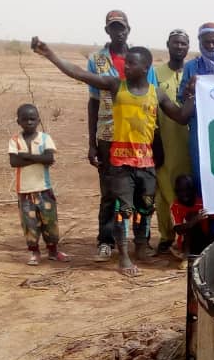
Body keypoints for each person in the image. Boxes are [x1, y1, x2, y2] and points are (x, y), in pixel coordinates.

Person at [32, 37, 194, 276]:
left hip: (146, 162)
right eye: (125, 63)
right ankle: (124, 257)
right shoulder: (116, 86)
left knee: (144, 208)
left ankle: (141, 246)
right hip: (120, 163)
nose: (125, 67)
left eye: (131, 64)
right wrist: (50, 54)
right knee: (123, 210)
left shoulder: (156, 93)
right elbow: (79, 74)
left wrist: (191, 94)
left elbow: (180, 117)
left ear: (145, 68)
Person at [86, 10, 159, 262]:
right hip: (108, 137)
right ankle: (106, 242)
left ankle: (141, 244)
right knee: (111, 195)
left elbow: (152, 107)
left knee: (141, 200)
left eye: (122, 27)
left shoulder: (141, 58)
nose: (118, 31)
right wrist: (92, 143)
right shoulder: (98, 60)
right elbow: (93, 101)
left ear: (129, 29)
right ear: (107, 30)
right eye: (113, 27)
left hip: (140, 144)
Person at [9, 104, 69, 265]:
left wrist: (26, 157)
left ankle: (53, 251)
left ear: (38, 120)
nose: (29, 122)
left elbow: (49, 159)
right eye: (25, 119)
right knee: (29, 224)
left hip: (44, 189)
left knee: (50, 222)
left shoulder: (45, 138)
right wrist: (38, 158)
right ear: (18, 121)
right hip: (25, 190)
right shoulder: (15, 140)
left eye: (32, 119)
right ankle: (34, 253)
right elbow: (14, 162)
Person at [153, 29, 193, 255]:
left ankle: (186, 236)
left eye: (183, 44)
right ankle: (166, 236)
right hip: (165, 142)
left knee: (186, 192)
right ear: (168, 44)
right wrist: (154, 139)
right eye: (175, 43)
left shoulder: (193, 72)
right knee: (163, 195)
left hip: (188, 143)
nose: (179, 47)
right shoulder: (155, 74)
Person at [179, 22, 214, 189]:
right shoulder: (191, 67)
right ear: (200, 42)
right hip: (199, 130)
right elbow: (182, 98)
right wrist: (190, 90)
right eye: (206, 42)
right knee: (201, 171)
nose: (211, 46)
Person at [171, 174, 214, 265]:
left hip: (204, 237)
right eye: (180, 191)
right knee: (191, 216)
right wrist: (195, 220)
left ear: (193, 190)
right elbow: (178, 230)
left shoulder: (201, 203)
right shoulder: (175, 206)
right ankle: (186, 256)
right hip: (186, 242)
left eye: (187, 190)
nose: (184, 194)